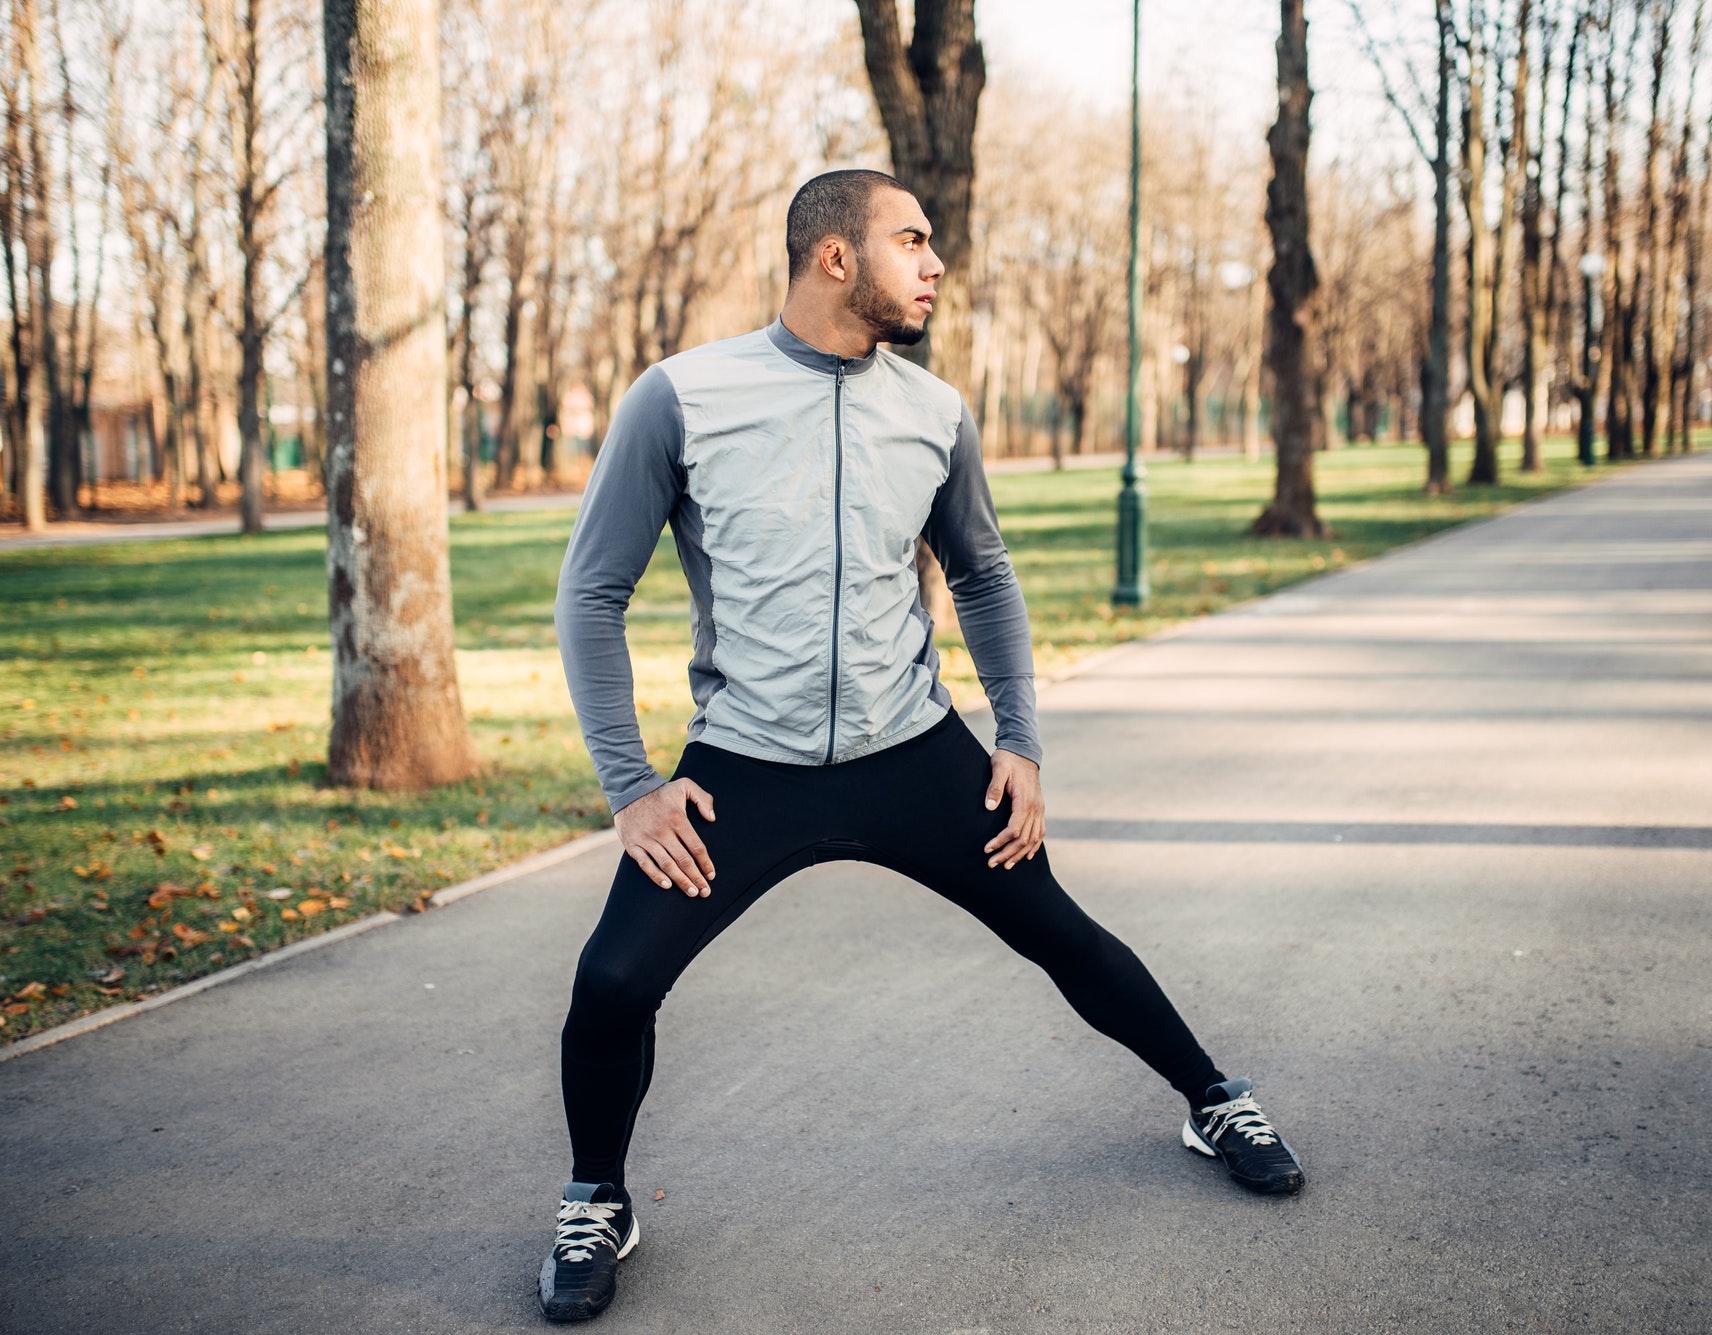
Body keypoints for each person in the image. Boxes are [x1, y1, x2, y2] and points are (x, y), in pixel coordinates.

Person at [540, 168, 1304, 1322]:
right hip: (745, 768)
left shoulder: (932, 410)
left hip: (913, 754)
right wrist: (631, 788)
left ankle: (1211, 1097)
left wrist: (1020, 741)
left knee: (1060, 932)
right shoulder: (684, 398)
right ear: (833, 257)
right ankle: (599, 1195)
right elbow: (591, 592)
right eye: (912, 240)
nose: (935, 262)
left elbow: (983, 574)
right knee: (612, 981)